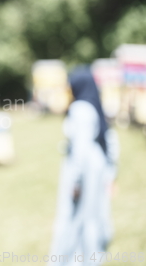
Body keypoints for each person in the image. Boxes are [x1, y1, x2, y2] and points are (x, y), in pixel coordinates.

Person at [49, 67, 119, 266]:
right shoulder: (94, 105)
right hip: (96, 166)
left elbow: (80, 148)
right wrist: (111, 173)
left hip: (83, 167)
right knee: (92, 213)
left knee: (74, 214)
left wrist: (76, 181)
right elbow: (110, 140)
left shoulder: (79, 108)